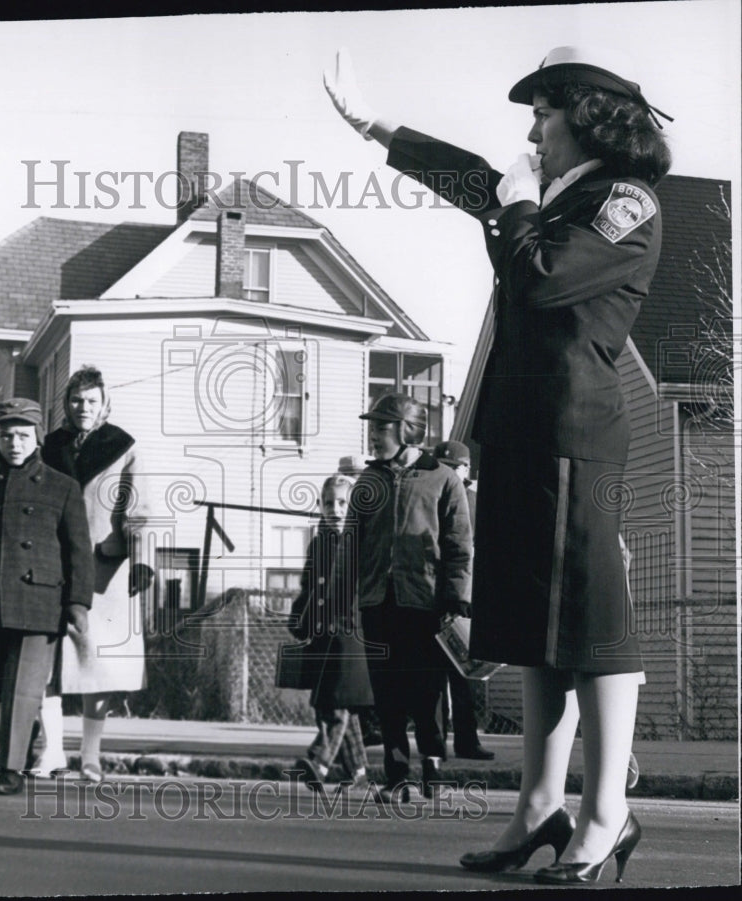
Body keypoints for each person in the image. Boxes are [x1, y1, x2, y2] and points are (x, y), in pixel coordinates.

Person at [325, 44, 670, 882]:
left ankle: (606, 815)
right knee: (536, 632)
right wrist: (374, 126)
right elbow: (469, 175)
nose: (531, 129)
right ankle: (539, 805)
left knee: (591, 624)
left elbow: (545, 278)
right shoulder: (546, 192)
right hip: (518, 433)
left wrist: (516, 208)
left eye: (543, 113)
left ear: (585, 116)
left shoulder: (624, 202)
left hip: (577, 436)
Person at [0, 398, 94, 795]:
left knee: (23, 689)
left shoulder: (63, 487)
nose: (14, 443)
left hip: (39, 602)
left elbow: (78, 550)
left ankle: (9, 770)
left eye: (23, 435)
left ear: (37, 439)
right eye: (6, 435)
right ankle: (23, 739)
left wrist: (77, 604)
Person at [333, 394, 472, 801]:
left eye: (381, 427)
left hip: (426, 603)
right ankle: (397, 776)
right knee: (388, 690)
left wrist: (455, 602)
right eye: (373, 427)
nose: (374, 436)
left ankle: (432, 763)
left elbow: (460, 546)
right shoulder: (369, 481)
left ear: (407, 430)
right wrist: (343, 599)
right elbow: (349, 544)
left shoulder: (443, 479)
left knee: (427, 689)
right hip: (378, 601)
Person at [39, 365, 152, 783]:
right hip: (52, 566)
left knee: (96, 666)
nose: (83, 408)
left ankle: (91, 756)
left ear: (104, 404)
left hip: (104, 571)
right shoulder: (49, 447)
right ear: (66, 405)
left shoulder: (124, 447)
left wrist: (140, 558)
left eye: (91, 401)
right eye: (75, 401)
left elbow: (139, 512)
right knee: (45, 663)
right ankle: (51, 751)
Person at [289, 472, 374, 792]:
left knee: (335, 702)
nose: (335, 510)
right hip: (324, 635)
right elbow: (309, 587)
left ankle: (319, 761)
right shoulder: (319, 544)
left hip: (353, 634)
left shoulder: (362, 542)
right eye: (328, 503)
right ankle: (359, 771)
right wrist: (300, 617)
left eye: (342, 503)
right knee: (338, 702)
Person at [432, 440, 494, 762]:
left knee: (465, 671)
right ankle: (437, 742)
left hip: (466, 595)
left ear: (466, 470)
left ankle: (467, 740)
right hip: (432, 593)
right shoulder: (433, 496)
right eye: (442, 467)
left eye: (453, 468)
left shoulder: (474, 501)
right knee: (435, 674)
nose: (449, 474)